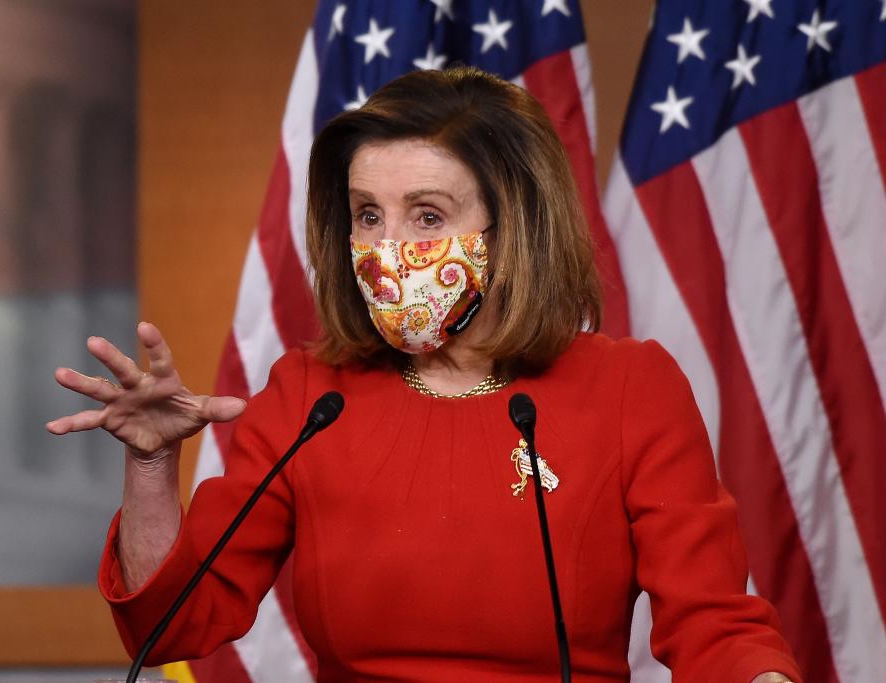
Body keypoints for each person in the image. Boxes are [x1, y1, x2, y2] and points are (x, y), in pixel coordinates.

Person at [48, 67, 802, 682]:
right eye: (368, 215)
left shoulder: (631, 389)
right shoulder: (313, 395)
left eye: (428, 216)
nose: (386, 247)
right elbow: (176, 622)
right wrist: (150, 467)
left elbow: (712, 623)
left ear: (513, 231)